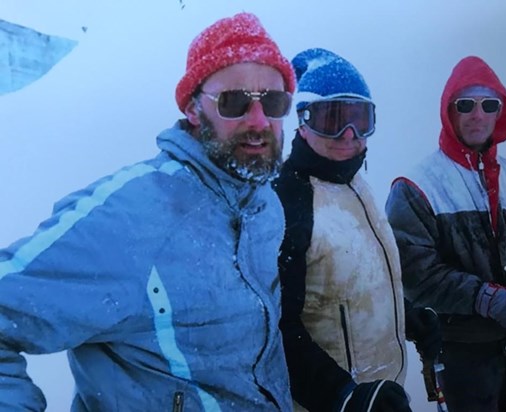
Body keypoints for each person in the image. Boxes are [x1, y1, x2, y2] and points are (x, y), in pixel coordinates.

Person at [0, 12, 296, 411]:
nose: (258, 120)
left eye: (274, 102)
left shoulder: (263, 206)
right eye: (235, 101)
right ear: (194, 110)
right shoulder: (132, 216)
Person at [274, 48, 438, 412]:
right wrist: (341, 396)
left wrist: (407, 316)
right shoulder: (289, 200)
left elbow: (351, 282)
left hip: (382, 396)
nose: (348, 135)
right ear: (302, 120)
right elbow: (276, 327)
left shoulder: (356, 184)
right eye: (332, 118)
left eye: (359, 119)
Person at [385, 55, 506, 411]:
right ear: (449, 111)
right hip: (462, 357)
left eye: (488, 104)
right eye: (466, 104)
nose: (477, 114)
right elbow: (415, 275)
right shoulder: (416, 188)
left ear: (500, 112)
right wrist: (484, 298)